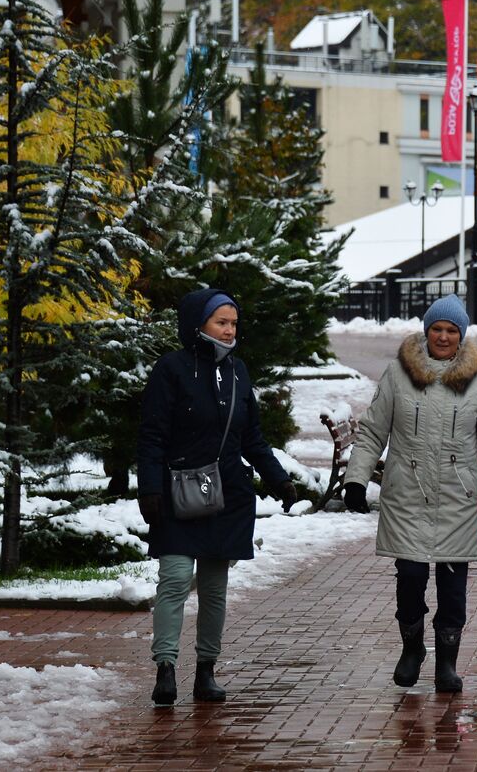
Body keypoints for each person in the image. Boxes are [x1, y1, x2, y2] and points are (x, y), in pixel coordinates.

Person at [343, 293, 477, 693]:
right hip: (406, 494)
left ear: (461, 336)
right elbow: (374, 429)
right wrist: (355, 480)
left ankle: (447, 662)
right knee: (409, 577)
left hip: (457, 498)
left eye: (451, 330)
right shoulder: (398, 374)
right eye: (436, 329)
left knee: (451, 585)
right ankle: (412, 649)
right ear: (426, 332)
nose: (443, 337)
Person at [137, 288, 299, 708]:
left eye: (232, 323)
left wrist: (279, 480)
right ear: (199, 324)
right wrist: (150, 489)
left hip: (225, 492)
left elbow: (254, 439)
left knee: (214, 587)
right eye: (220, 323)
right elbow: (152, 436)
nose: (229, 331)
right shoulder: (171, 369)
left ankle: (206, 670)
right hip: (176, 490)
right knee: (174, 579)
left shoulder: (239, 372)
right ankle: (166, 668)